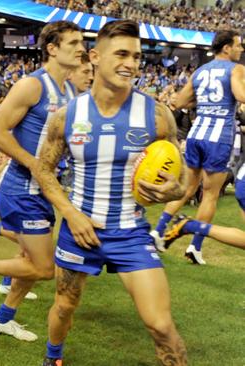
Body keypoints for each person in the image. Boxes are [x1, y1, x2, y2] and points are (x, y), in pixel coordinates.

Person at [34, 20, 187, 365]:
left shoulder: (157, 115)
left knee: (161, 325)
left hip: (131, 234)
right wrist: (71, 215)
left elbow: (182, 172)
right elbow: (43, 168)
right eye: (121, 54)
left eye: (135, 56)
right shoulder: (67, 116)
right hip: (79, 231)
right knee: (64, 306)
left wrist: (173, 189)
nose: (131, 63)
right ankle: (52, 357)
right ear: (95, 56)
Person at [0, 21, 83, 343]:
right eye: (74, 43)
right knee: (43, 268)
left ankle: (3, 319)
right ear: (53, 48)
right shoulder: (32, 86)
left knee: (30, 262)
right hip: (22, 188)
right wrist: (32, 162)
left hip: (46, 189)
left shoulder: (69, 91)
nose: (81, 49)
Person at [152, 30, 245, 264]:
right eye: (238, 45)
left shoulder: (200, 71)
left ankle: (157, 230)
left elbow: (179, 102)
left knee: (187, 187)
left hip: (196, 133)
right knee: (210, 195)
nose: (241, 49)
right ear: (226, 48)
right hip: (219, 136)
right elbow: (241, 95)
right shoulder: (236, 69)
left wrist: (202, 101)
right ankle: (195, 246)